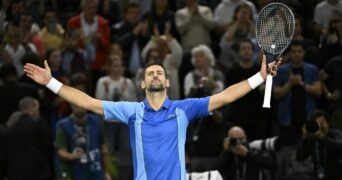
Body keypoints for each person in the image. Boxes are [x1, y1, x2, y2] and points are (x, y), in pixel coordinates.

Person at [24, 53, 280, 180]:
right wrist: (51, 83)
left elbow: (225, 96)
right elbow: (89, 103)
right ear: (143, 84)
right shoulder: (132, 111)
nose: (155, 75)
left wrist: (260, 77)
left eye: (159, 73)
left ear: (168, 82)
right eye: (150, 74)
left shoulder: (184, 108)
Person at [3, 96, 53, 180]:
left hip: (16, 173)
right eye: (38, 108)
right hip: (39, 171)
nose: (38, 112)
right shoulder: (39, 124)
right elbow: (47, 147)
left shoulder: (9, 130)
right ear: (33, 107)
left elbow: (5, 155)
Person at [296, 109, 342, 180]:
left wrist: (322, 137)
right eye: (317, 122)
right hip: (318, 174)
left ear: (328, 124)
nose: (320, 125)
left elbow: (339, 145)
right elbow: (300, 157)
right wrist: (304, 137)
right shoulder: (312, 138)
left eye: (322, 121)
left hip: (336, 174)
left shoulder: (335, 133)